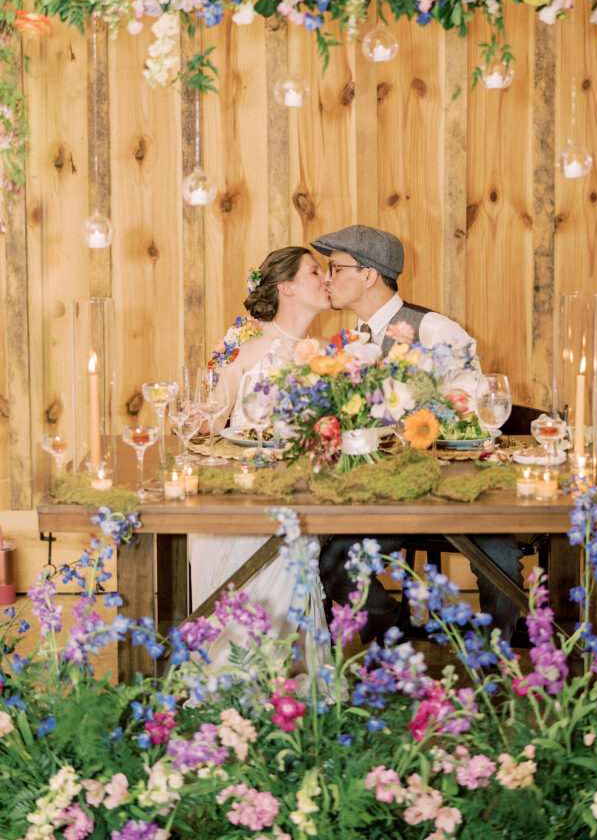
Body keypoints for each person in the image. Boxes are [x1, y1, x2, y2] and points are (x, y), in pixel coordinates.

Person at [310, 224, 523, 644]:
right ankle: (395, 636)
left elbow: (480, 412)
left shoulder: (433, 330)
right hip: (386, 495)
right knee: (336, 563)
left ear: (369, 275)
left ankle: (495, 665)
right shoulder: (349, 342)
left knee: (500, 563)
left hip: (454, 489)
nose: (327, 278)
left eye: (335, 267)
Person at [188, 246, 332, 670]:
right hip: (248, 490)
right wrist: (197, 417)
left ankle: (285, 673)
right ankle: (237, 669)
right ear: (287, 288)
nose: (325, 278)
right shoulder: (248, 349)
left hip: (303, 489)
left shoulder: (326, 354)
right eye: (314, 271)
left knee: (298, 534)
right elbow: (214, 418)